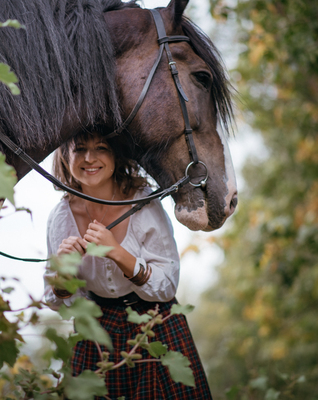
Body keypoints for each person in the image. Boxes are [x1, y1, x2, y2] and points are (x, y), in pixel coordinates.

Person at [43, 131, 212, 399]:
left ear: (116, 155)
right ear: (65, 156)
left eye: (101, 148)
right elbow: (59, 302)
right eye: (80, 149)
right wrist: (63, 274)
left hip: (156, 325)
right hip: (97, 334)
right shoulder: (60, 218)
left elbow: (167, 286)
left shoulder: (143, 202)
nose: (90, 158)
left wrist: (117, 252)